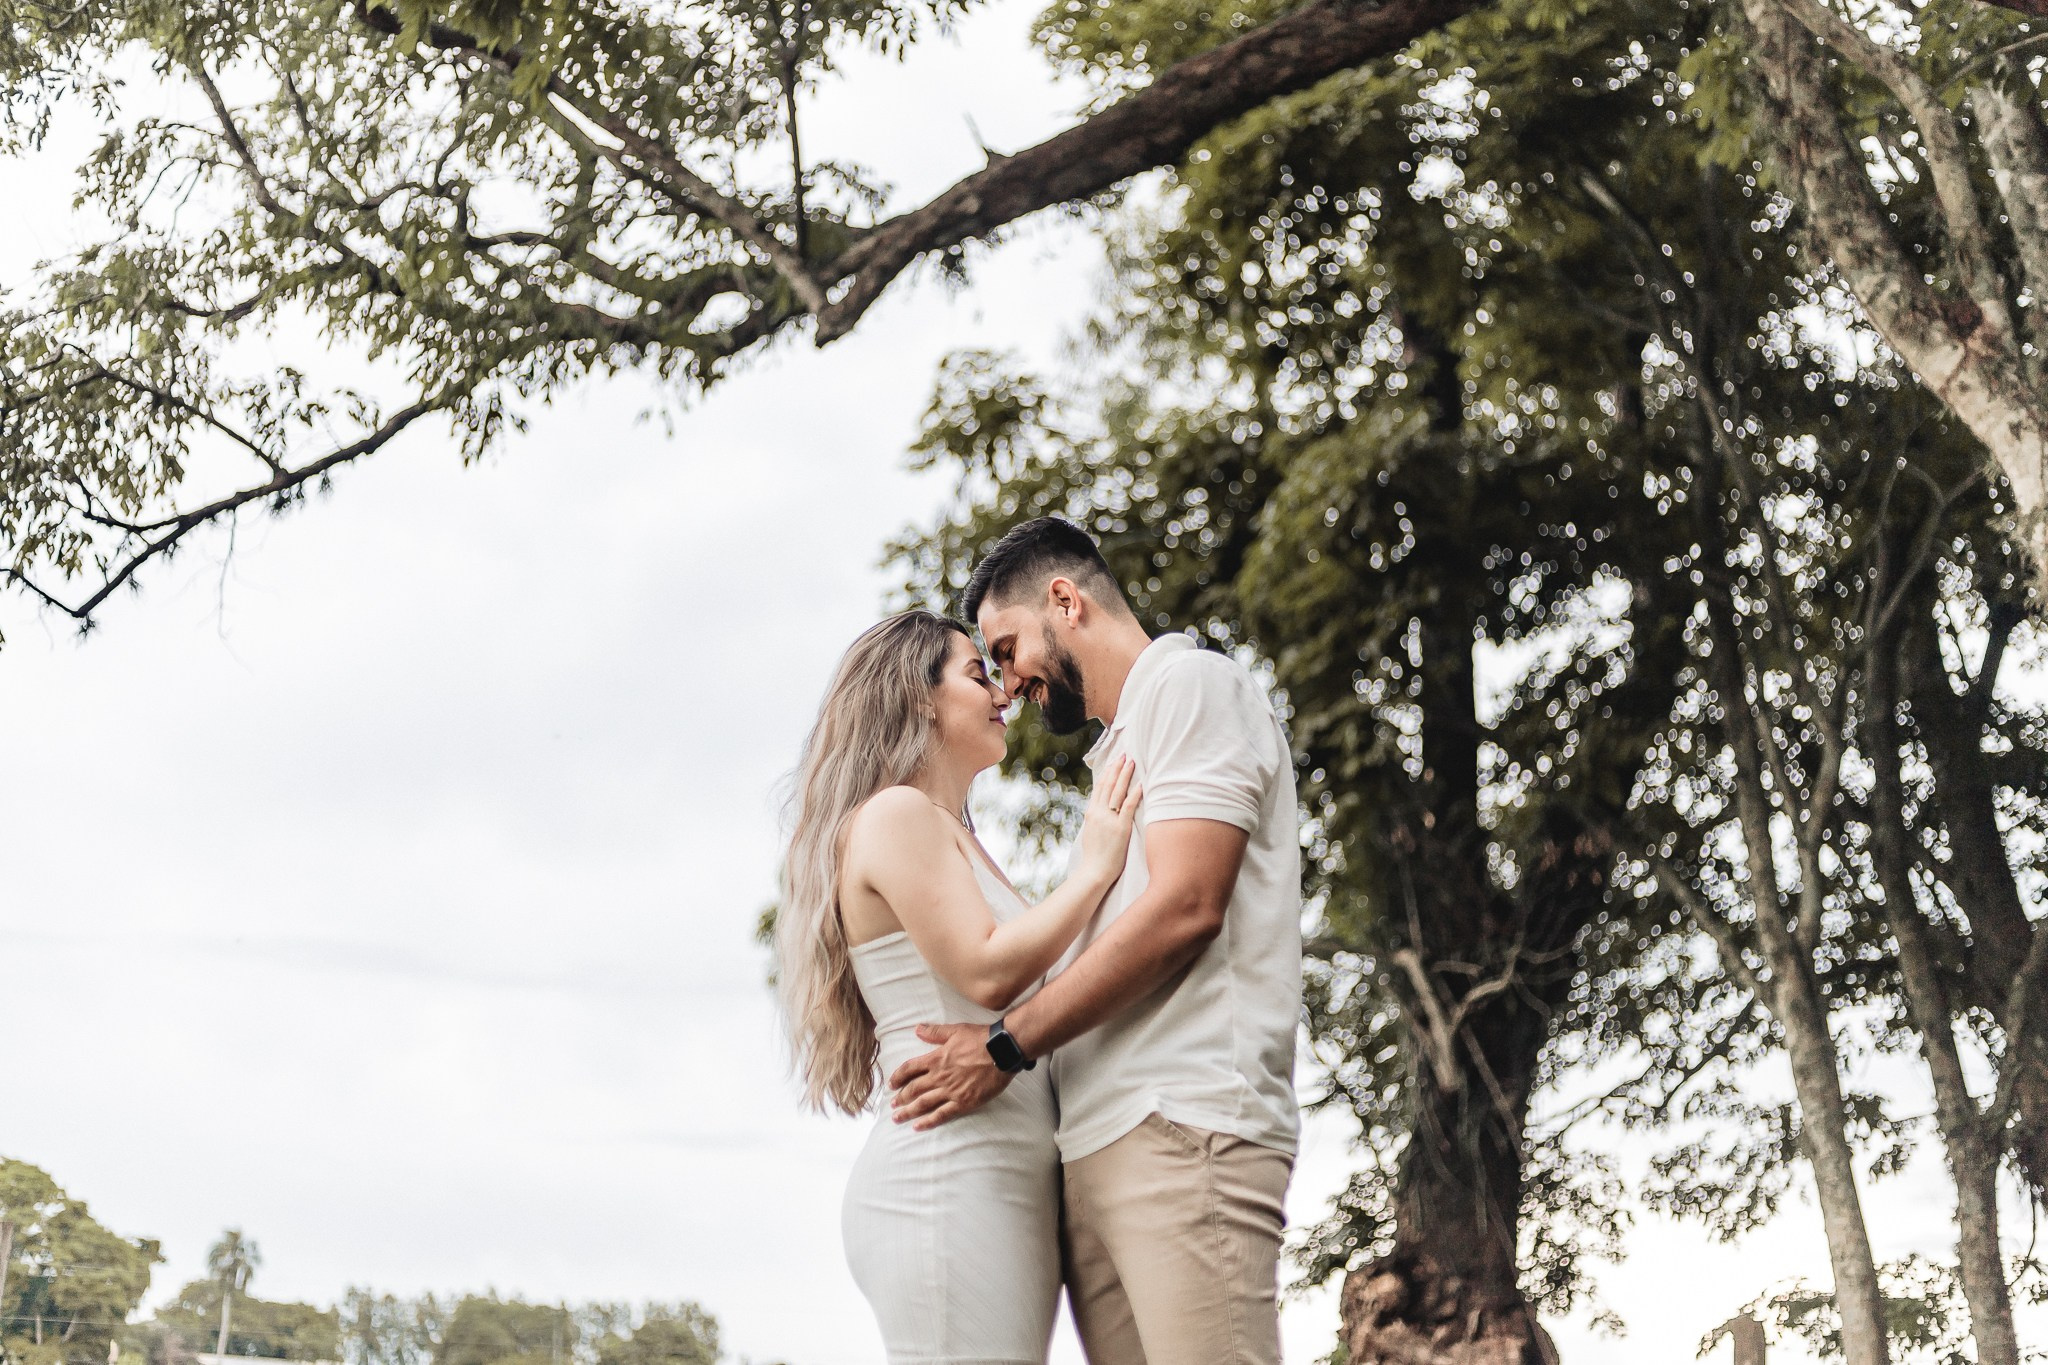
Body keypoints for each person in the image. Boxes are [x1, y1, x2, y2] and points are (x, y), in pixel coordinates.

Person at [889, 517, 1304, 1365]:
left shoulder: (1190, 685)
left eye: (1006, 650)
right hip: (1098, 1147)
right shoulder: (1120, 758)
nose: (1007, 684)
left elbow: (1189, 904)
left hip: (1185, 1129)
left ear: (1065, 601)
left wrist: (1003, 1044)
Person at [776, 608, 1142, 1365]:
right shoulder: (896, 815)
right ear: (918, 696)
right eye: (978, 674)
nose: (1003, 691)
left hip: (995, 1174)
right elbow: (988, 967)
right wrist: (1097, 864)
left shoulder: (952, 835)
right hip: (948, 1177)